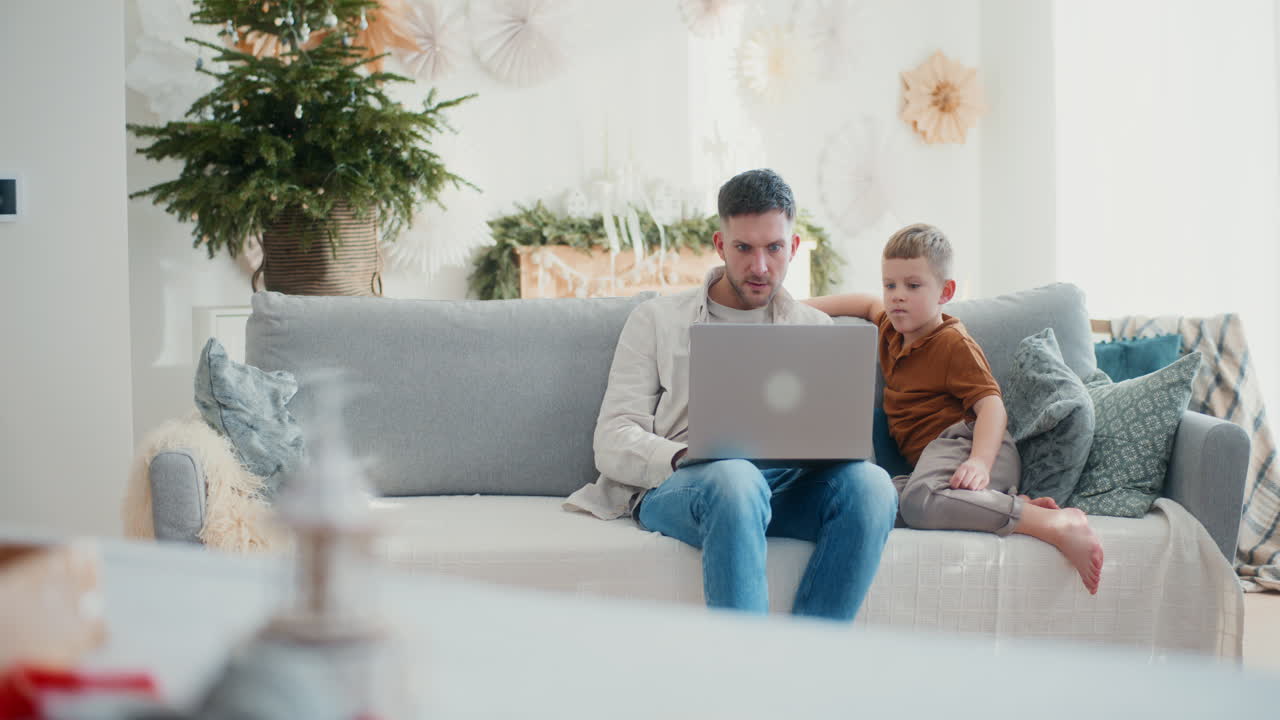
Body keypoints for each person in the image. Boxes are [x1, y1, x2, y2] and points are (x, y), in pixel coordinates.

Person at [564, 169, 898, 620]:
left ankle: (811, 661)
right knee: (735, 477)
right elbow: (613, 436)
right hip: (690, 487)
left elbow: (848, 448)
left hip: (785, 489)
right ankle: (746, 674)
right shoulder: (657, 320)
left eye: (774, 248)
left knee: (874, 486)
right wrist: (686, 456)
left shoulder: (816, 331)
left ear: (793, 248)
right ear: (721, 246)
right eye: (744, 248)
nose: (760, 267)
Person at [805, 223, 1104, 594]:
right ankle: (1009, 504)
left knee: (919, 501)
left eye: (912, 286)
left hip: (969, 444)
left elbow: (992, 407)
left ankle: (1055, 524)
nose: (897, 296)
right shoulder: (888, 327)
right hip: (936, 463)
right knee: (871, 501)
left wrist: (979, 461)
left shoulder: (951, 342)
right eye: (890, 285)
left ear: (945, 291)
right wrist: (792, 309)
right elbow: (863, 304)